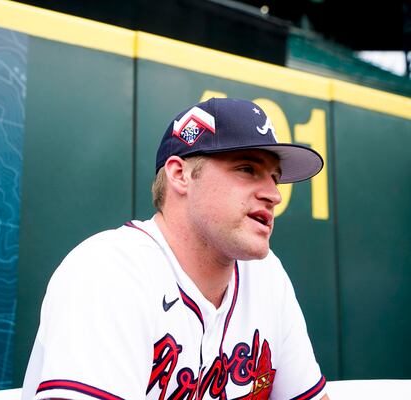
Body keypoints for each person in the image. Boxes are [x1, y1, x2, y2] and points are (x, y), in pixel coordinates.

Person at [22, 98, 329, 400]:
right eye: (247, 169)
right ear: (180, 175)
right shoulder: (108, 272)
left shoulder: (266, 275)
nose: (274, 194)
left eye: (275, 178)